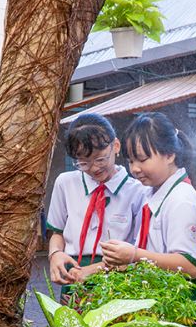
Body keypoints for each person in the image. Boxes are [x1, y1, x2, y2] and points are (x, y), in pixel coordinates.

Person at [100, 112, 196, 326]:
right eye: (131, 160)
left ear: (170, 154)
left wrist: (134, 255)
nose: (135, 169)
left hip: (185, 303)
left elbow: (189, 265)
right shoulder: (150, 192)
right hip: (164, 296)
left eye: (143, 159)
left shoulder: (182, 198)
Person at [46, 113, 146, 289]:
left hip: (118, 278)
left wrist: (94, 270)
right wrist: (55, 254)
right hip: (73, 273)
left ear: (115, 146)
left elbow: (138, 250)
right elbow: (57, 232)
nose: (94, 168)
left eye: (100, 159)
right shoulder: (65, 183)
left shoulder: (137, 191)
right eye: (83, 163)